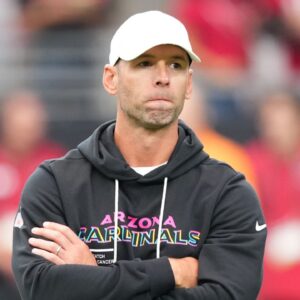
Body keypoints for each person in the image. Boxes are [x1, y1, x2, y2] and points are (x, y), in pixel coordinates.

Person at [12, 11, 266, 300]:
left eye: (175, 64)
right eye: (144, 63)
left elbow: (229, 295)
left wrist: (94, 277)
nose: (162, 78)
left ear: (190, 83)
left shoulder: (228, 192)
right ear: (111, 79)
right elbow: (41, 289)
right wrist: (172, 271)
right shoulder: (55, 184)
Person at [0, 90, 65, 299]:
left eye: (32, 122)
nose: (26, 129)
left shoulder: (57, 161)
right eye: (19, 122)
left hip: (40, 247)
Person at [246, 90, 300, 300]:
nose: (275, 131)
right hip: (265, 276)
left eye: (283, 123)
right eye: (269, 123)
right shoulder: (249, 160)